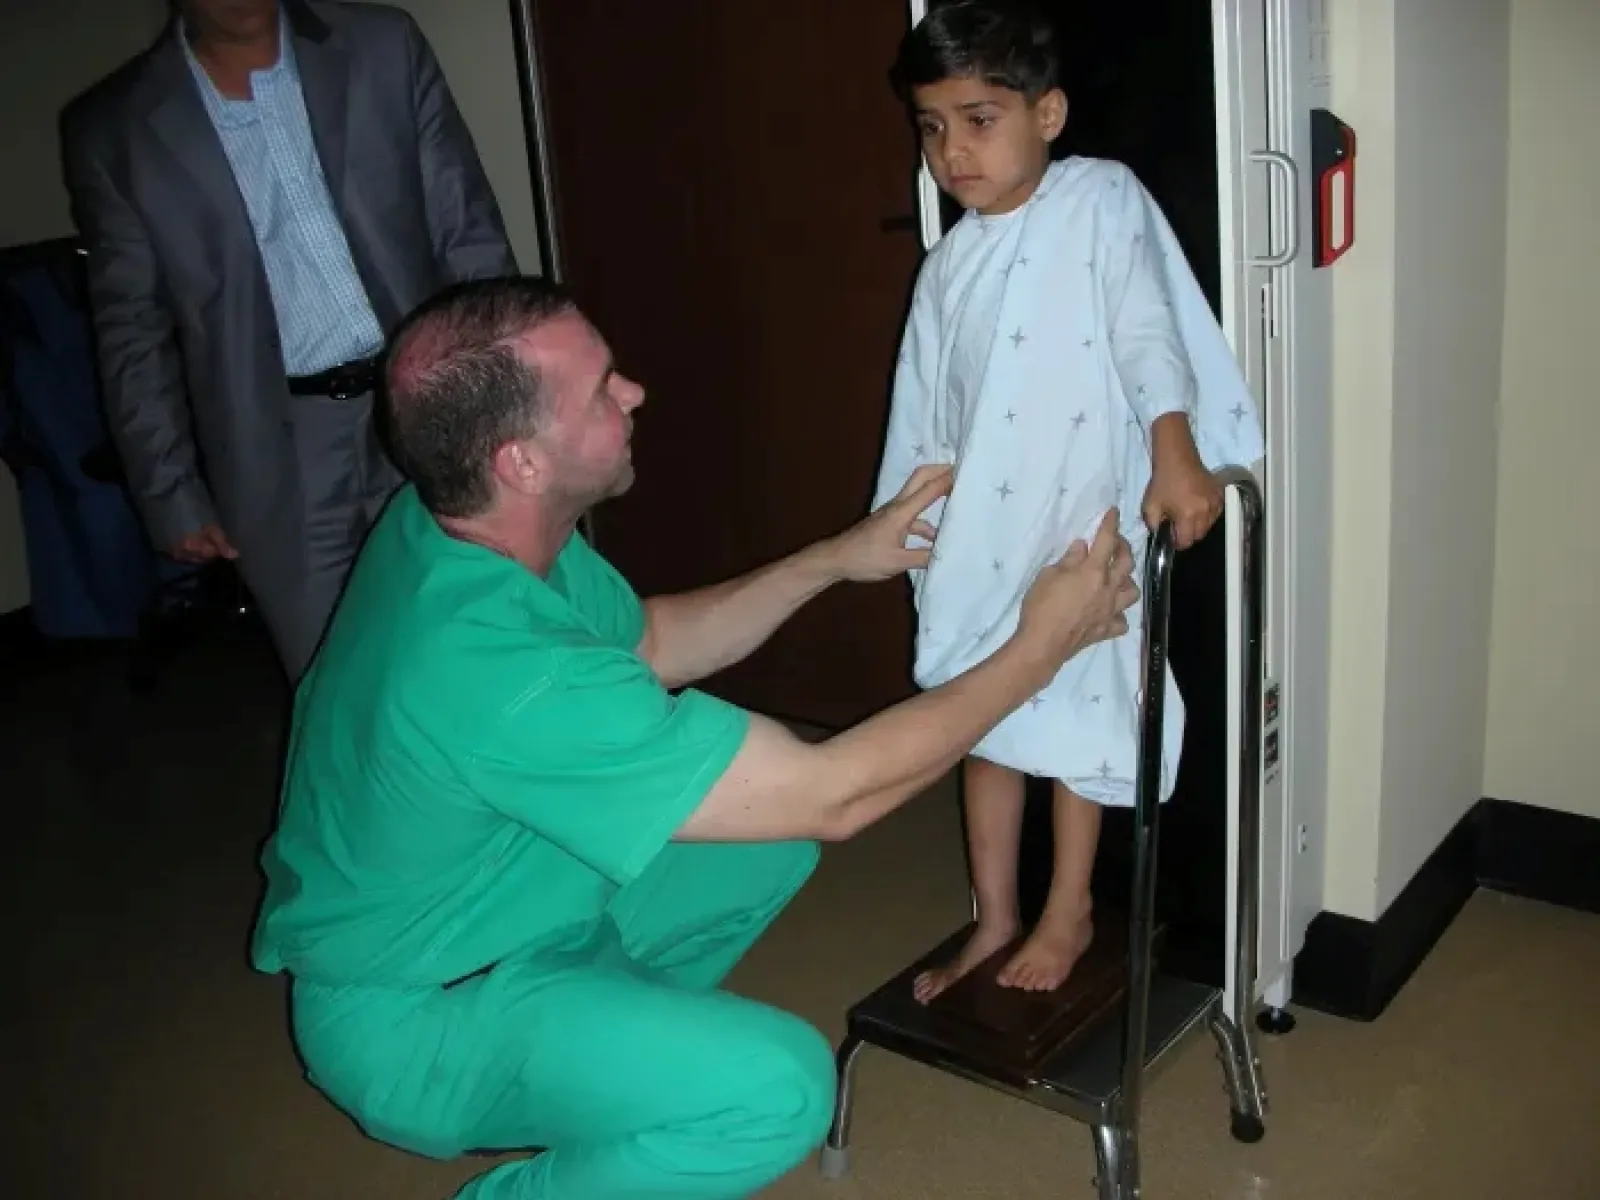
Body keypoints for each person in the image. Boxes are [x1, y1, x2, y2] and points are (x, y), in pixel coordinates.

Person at [249, 275, 1140, 1199]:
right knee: (778, 1091)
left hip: (500, 919)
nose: (631, 392)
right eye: (601, 388)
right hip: (420, 1020)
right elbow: (836, 795)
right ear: (521, 462)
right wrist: (1042, 648)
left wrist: (837, 559)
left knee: (763, 842)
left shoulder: (452, 525)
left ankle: (604, 1051)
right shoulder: (501, 671)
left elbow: (655, 640)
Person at [873, 0, 1267, 1002]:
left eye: (977, 119)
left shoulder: (1099, 200)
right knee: (978, 715)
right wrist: (906, 522)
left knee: (1077, 713)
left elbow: (1144, 327)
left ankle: (1068, 907)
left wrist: (1174, 452)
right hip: (979, 534)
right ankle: (994, 915)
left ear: (1046, 114)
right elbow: (925, 401)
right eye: (930, 127)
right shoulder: (947, 263)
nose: (951, 151)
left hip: (1074, 524)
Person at [60, 0, 516, 680]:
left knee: (486, 643)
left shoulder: (382, 46)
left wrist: (511, 388)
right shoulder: (114, 128)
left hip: (432, 403)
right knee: (338, 686)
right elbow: (131, 327)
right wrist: (169, 489)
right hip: (276, 453)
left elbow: (467, 230)